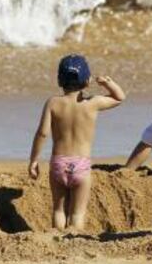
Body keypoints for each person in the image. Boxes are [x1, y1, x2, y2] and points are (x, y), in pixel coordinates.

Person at [28, 54, 125, 232]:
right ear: (87, 81)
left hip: (58, 164)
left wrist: (34, 160)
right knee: (77, 214)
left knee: (58, 210)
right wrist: (107, 83)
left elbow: (42, 133)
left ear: (59, 80)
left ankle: (55, 240)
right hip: (81, 166)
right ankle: (74, 241)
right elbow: (119, 98)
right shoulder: (92, 103)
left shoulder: (53, 103)